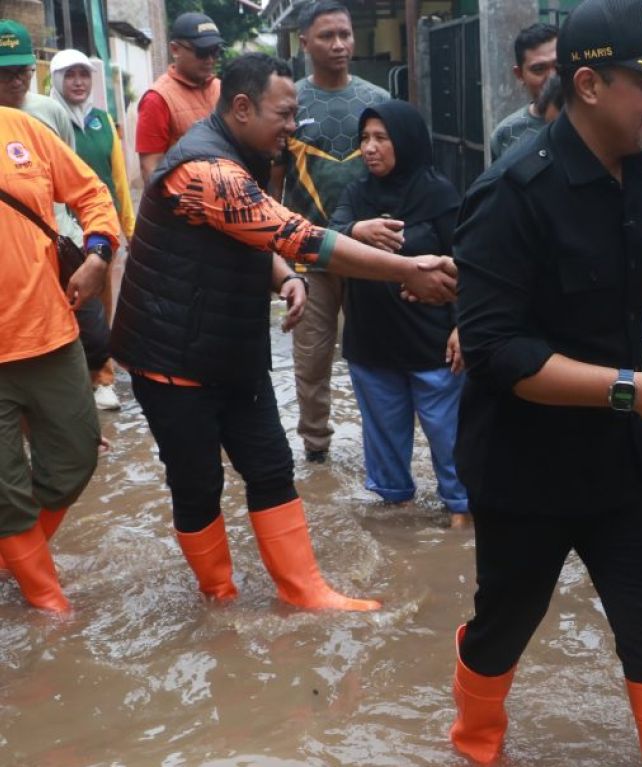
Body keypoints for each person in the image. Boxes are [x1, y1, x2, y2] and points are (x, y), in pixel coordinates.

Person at [449, 1, 642, 767]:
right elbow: (499, 355)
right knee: (505, 627)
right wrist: (638, 390)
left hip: (621, 465)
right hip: (526, 469)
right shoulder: (511, 195)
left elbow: (629, 290)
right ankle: (473, 749)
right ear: (591, 84)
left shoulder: (639, 169)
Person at [109, 53, 457, 612]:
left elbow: (252, 236)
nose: (294, 127)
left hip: (231, 352)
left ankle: (305, 590)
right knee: (198, 485)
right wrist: (408, 268)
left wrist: (284, 278)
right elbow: (298, 235)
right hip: (170, 358)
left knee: (271, 466)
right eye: (286, 113)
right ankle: (218, 599)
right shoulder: (205, 169)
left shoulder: (238, 155)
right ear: (242, 108)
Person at [0, 21, 121, 612]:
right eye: (4, 72)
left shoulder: (25, 129)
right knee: (7, 494)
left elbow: (94, 194)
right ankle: (51, 608)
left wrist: (98, 255)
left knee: (74, 458)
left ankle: (14, 560)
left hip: (48, 333)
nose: (15, 79)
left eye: (21, 69)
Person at [328, 100, 471, 528]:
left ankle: (462, 511)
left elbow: (471, 264)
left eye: (381, 138)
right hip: (372, 344)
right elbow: (323, 241)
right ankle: (399, 527)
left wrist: (465, 326)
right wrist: (356, 230)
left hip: (434, 345)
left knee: (450, 436)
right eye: (364, 139)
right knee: (385, 445)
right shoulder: (356, 195)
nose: (369, 148)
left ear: (405, 142)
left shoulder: (440, 194)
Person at [275, 0, 390, 465]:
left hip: (372, 252)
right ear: (305, 42)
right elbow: (273, 181)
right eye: (327, 36)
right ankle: (316, 449)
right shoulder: (289, 103)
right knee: (313, 355)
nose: (339, 44)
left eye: (345, 34)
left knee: (380, 353)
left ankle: (382, 447)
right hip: (310, 255)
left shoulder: (378, 102)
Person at [50, 48, 137, 413]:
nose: (78, 82)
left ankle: (103, 377)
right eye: (70, 75)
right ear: (55, 80)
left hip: (99, 233)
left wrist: (129, 228)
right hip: (57, 232)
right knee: (62, 306)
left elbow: (118, 181)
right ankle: (66, 382)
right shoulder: (47, 121)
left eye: (84, 75)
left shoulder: (103, 121)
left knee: (100, 307)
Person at [136, 11, 224, 185]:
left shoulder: (220, 89)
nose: (210, 60)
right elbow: (151, 169)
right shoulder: (157, 99)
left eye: (215, 51)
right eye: (202, 52)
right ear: (175, 49)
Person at [488, 22, 558, 161]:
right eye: (539, 69)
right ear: (520, 75)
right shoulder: (506, 133)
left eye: (559, 65)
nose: (553, 77)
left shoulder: (594, 122)